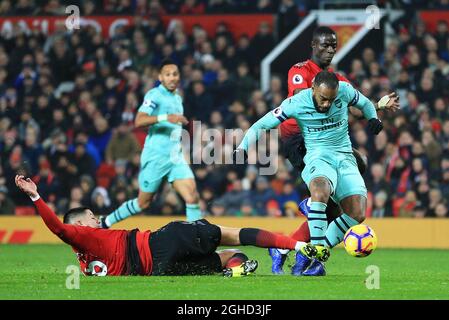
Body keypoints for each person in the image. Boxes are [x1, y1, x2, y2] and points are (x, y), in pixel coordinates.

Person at [270, 26, 400, 275]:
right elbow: (304, 101)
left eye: (333, 46)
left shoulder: (338, 80)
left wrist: (376, 107)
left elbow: (355, 107)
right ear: (313, 45)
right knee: (337, 192)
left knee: (336, 208)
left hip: (327, 143)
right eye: (325, 45)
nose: (330, 50)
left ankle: (288, 249)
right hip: (300, 138)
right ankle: (310, 216)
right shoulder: (299, 70)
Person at [15, 174, 317, 277]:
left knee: (219, 259)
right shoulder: (84, 235)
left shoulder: (85, 266)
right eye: (92, 217)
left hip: (159, 269)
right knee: (233, 234)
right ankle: (295, 245)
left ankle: (235, 270)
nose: (97, 220)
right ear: (80, 224)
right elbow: (57, 228)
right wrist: (36, 196)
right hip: (162, 242)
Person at [235, 71, 385, 276]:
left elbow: (366, 104)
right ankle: (317, 254)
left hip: (344, 157)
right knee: (321, 190)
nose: (326, 105)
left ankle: (310, 246)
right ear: (313, 88)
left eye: (331, 100)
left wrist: (373, 118)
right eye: (323, 99)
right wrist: (243, 147)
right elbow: (263, 124)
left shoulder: (345, 91)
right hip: (318, 158)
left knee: (357, 214)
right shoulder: (296, 103)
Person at [101, 58, 202, 228]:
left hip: (175, 157)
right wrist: (165, 117)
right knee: (143, 203)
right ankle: (106, 222)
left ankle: (199, 238)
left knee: (192, 196)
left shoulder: (177, 98)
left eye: (175, 74)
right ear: (160, 77)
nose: (172, 77)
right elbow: (139, 120)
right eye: (168, 74)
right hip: (156, 156)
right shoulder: (154, 95)